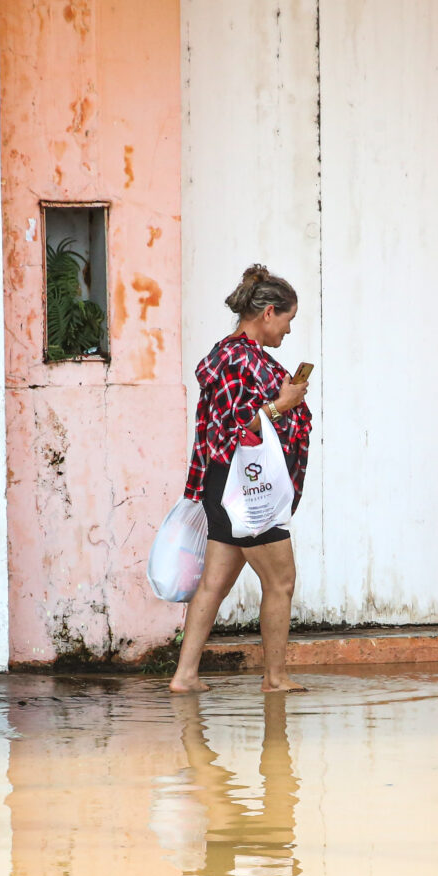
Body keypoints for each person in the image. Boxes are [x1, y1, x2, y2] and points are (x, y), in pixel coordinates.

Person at [169, 264, 313, 694]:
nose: (288, 331)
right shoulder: (236, 358)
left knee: (214, 584)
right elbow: (233, 432)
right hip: (248, 490)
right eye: (288, 320)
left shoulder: (238, 355)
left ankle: (185, 676)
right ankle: (275, 678)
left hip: (226, 488)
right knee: (281, 582)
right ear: (268, 312)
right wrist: (281, 405)